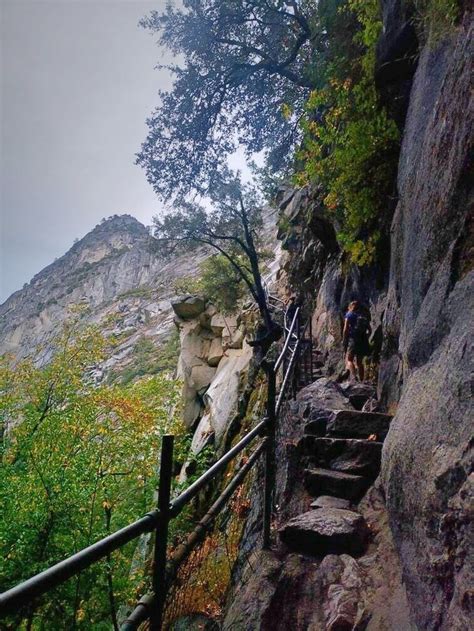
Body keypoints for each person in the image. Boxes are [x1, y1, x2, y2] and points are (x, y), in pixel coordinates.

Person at [342, 300, 371, 382]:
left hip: (353, 340)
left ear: (350, 307)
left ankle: (354, 378)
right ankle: (362, 381)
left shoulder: (349, 315)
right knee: (359, 362)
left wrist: (344, 339)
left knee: (349, 359)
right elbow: (370, 330)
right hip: (363, 340)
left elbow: (345, 329)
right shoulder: (363, 316)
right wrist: (365, 337)